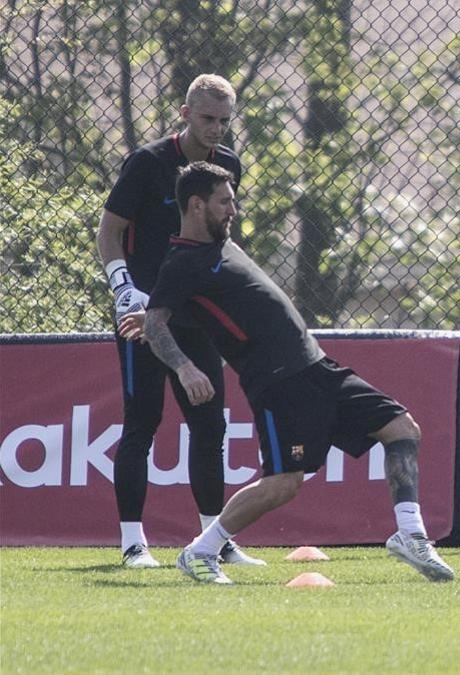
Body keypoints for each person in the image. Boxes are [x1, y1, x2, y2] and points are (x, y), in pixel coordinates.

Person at [121, 162, 453, 584]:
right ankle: (201, 551)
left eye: (234, 201)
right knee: (283, 484)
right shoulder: (181, 262)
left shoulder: (224, 247)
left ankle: (411, 535)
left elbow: (206, 311)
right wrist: (185, 368)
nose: (233, 210)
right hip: (278, 382)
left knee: (402, 428)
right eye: (225, 202)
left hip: (317, 365)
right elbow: (156, 323)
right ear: (196, 205)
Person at [96, 74, 261, 568]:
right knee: (142, 421)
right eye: (207, 119)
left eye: (224, 121)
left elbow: (221, 238)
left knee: (210, 425)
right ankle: (132, 543)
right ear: (185, 114)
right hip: (144, 311)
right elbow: (109, 232)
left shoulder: (228, 165)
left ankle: (214, 541)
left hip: (198, 314)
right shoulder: (147, 163)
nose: (216, 130)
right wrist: (125, 291)